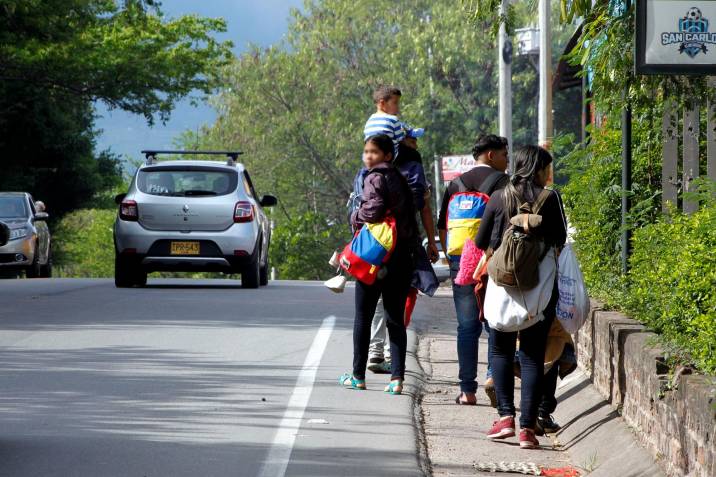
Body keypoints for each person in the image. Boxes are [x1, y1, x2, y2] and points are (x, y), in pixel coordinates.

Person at [475, 145, 567, 449]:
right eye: (547, 169)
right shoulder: (549, 198)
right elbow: (561, 239)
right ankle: (528, 429)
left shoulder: (500, 196)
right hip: (539, 288)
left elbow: (480, 240)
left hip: (502, 284)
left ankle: (505, 419)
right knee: (531, 355)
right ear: (539, 169)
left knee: (500, 350)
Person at [339, 134, 419, 395]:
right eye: (366, 151)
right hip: (400, 257)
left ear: (387, 155)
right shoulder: (400, 178)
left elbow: (372, 211)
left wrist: (355, 215)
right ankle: (397, 379)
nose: (368, 156)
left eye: (373, 152)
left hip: (376, 256)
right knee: (395, 319)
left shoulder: (373, 177)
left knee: (363, 316)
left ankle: (358, 376)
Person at [436, 134, 509, 405]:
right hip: (492, 260)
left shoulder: (455, 183)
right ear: (491, 155)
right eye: (504, 154)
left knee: (467, 327)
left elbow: (443, 225)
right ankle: (493, 377)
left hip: (461, 260)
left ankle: (467, 390)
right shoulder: (502, 182)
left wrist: (452, 257)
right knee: (494, 324)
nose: (507, 160)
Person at [367, 126, 439, 373]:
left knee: (378, 295)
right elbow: (424, 208)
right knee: (403, 296)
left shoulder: (370, 170)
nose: (415, 144)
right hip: (404, 242)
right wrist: (430, 240)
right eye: (412, 139)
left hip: (377, 243)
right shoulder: (414, 168)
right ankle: (389, 353)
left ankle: (376, 350)